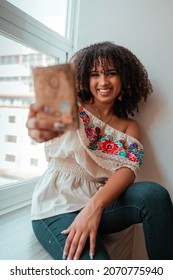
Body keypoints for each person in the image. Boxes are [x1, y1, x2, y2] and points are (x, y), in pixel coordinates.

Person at [26, 41, 173, 260]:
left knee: (155, 195)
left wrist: (93, 208)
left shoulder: (128, 126)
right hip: (56, 204)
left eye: (111, 73)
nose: (103, 82)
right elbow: (38, 132)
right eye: (95, 74)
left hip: (99, 203)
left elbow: (127, 170)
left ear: (124, 78)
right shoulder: (70, 104)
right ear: (86, 78)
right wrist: (39, 124)